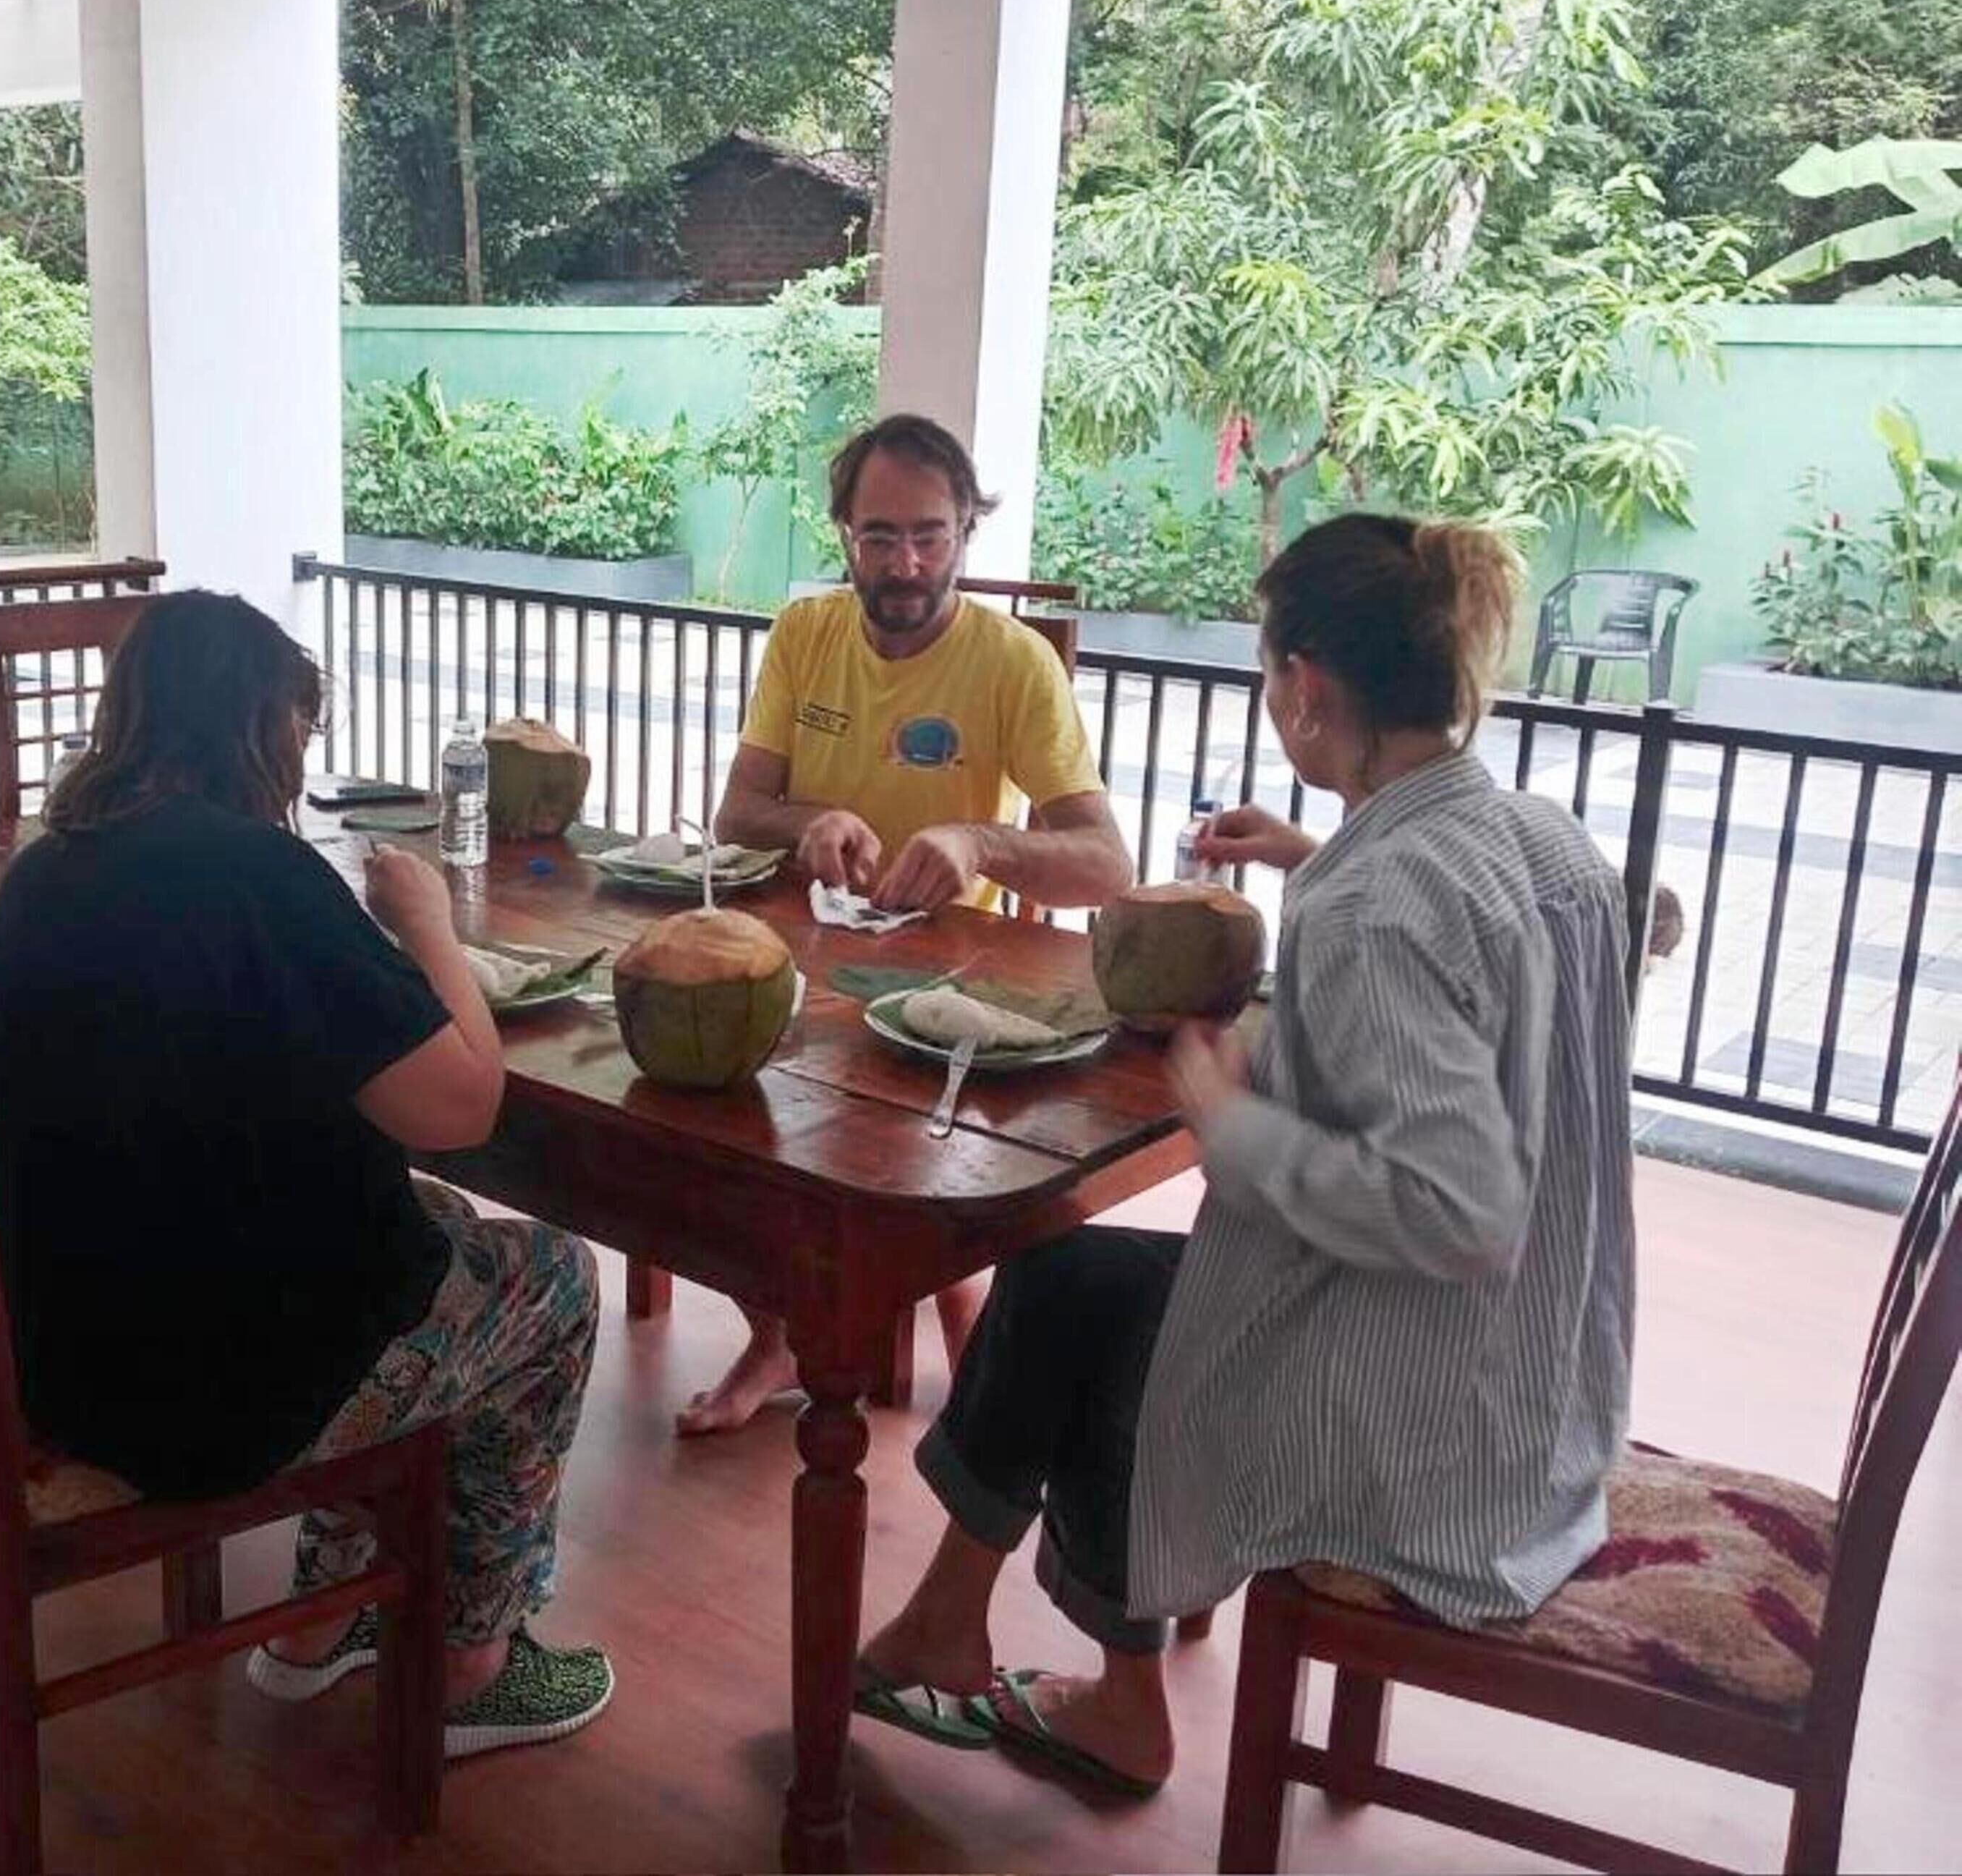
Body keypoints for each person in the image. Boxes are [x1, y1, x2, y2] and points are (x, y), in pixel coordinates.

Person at [850, 512, 1636, 1795]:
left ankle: (1118, 1707)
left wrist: (1232, 1124)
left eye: (1271, 670)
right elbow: (1481, 974)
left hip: (1437, 1441)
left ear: (1307, 686)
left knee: (1155, 1336)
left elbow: (1461, 1210)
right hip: (1545, 1384)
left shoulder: (1378, 904)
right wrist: (1308, 855)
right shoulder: (1538, 839)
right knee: (1070, 1277)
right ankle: (957, 1620)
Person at [0, 589, 613, 1757]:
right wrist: (428, 930)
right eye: (300, 729)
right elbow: (463, 1104)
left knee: (431, 1226)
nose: (304, 757)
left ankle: (325, 1625)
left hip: (60, 1355)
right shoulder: (259, 879)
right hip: (207, 1404)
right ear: (261, 727)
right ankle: (473, 1662)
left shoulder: (49, 872)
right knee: (549, 1277)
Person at [684, 412, 1135, 1434]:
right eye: (879, 536)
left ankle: (953, 1371)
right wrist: (812, 823)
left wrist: (982, 845)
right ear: (842, 531)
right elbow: (737, 816)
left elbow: (1107, 867)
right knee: (690, 1131)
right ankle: (780, 1334)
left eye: (931, 534)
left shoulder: (1015, 665)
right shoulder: (805, 633)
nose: (907, 562)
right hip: (797, 967)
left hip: (944, 992)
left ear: (967, 532)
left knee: (926, 1182)